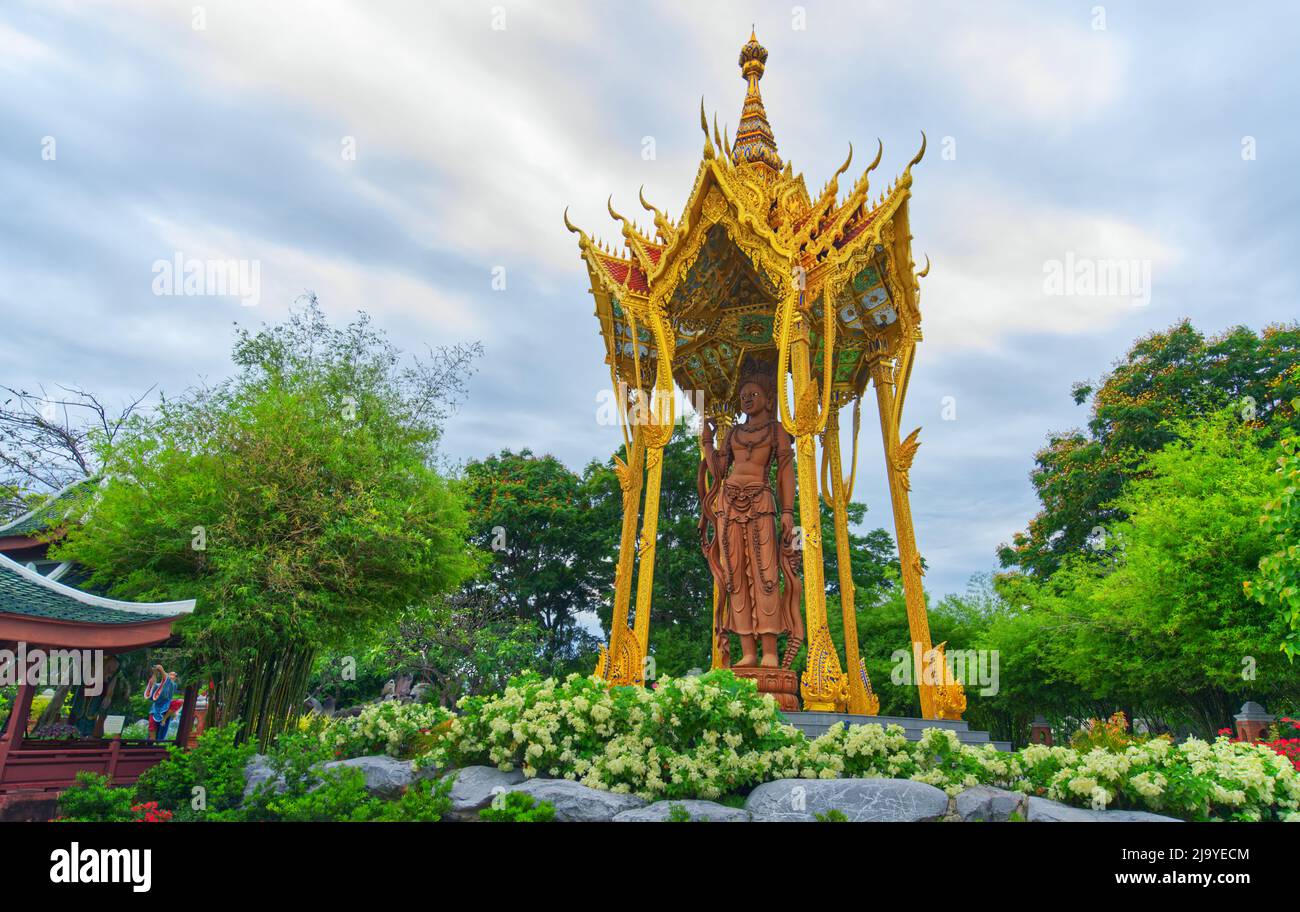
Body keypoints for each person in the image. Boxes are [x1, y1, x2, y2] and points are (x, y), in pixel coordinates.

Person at [144, 664, 177, 743]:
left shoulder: (173, 685)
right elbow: (152, 685)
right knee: (152, 727)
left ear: (175, 678)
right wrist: (155, 673)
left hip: (165, 708)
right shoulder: (161, 685)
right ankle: (151, 742)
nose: (171, 676)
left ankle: (164, 719)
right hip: (155, 708)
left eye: (173, 675)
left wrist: (161, 670)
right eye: (170, 674)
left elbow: (167, 680)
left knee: (179, 702)